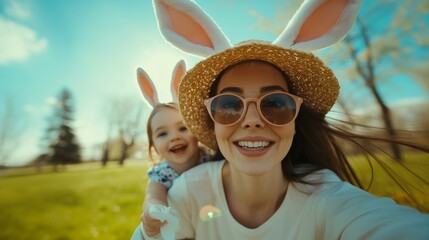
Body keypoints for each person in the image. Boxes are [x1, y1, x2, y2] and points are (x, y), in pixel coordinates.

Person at [133, 0, 429, 239]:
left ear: (296, 118)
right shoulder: (189, 191)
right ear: (212, 121)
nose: (251, 120)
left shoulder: (327, 197)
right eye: (228, 105)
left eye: (275, 103)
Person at [136, 60, 211, 238]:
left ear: (196, 131)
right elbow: (153, 197)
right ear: (154, 146)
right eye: (162, 134)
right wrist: (153, 211)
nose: (174, 137)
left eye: (183, 128)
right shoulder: (161, 174)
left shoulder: (209, 158)